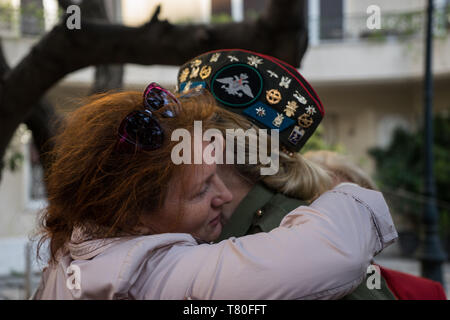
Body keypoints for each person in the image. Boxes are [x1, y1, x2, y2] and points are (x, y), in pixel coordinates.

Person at [32, 82, 396, 300]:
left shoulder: (75, 251)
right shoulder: (148, 273)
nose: (221, 196)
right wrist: (349, 193)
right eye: (202, 188)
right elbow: (335, 253)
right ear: (134, 219)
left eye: (219, 174)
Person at [176, 49, 398, 300]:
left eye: (183, 133)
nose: (169, 147)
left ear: (215, 146)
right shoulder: (205, 228)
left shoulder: (306, 247)